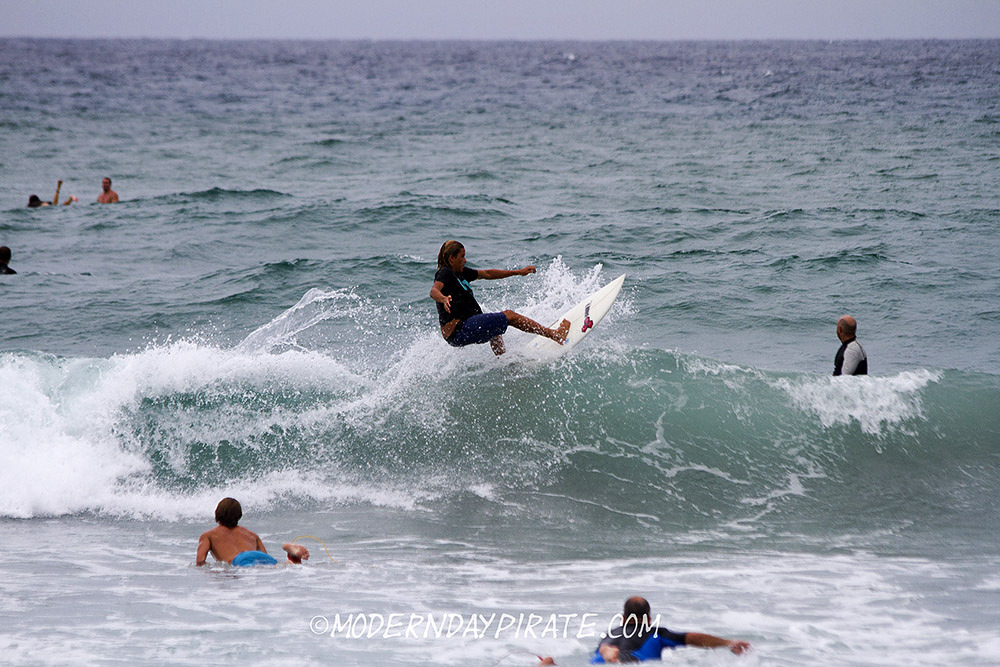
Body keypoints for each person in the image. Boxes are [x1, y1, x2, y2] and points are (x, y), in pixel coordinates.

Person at [429, 240, 570, 356]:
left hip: (462, 329)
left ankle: (503, 361)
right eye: (462, 256)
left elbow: (488, 274)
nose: (465, 260)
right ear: (452, 258)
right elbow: (434, 290)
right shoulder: (445, 273)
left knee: (494, 326)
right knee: (509, 316)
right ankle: (555, 335)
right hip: (459, 330)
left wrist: (518, 272)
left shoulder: (460, 272)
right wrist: (443, 299)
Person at [591, 596, 751, 663]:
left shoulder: (610, 633)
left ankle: (609, 654)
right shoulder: (656, 633)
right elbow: (693, 638)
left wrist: (606, 651)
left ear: (623, 618)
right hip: (633, 662)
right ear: (648, 619)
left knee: (609, 652)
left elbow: (606, 646)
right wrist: (729, 643)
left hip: (600, 661)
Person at [196, 497, 309, 567]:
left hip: (239, 560)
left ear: (217, 514)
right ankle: (292, 556)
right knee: (273, 566)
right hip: (260, 557)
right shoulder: (251, 535)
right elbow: (265, 556)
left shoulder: (208, 535)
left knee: (250, 567)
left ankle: (290, 559)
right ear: (239, 515)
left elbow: (200, 561)